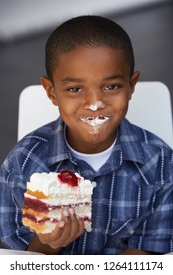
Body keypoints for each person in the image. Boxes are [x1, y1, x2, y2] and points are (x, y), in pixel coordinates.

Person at [0, 15, 173, 255]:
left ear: (132, 85)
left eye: (111, 87)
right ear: (51, 92)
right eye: (75, 89)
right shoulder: (24, 161)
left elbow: (149, 256)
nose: (94, 104)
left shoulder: (161, 163)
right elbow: (19, 259)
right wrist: (48, 242)